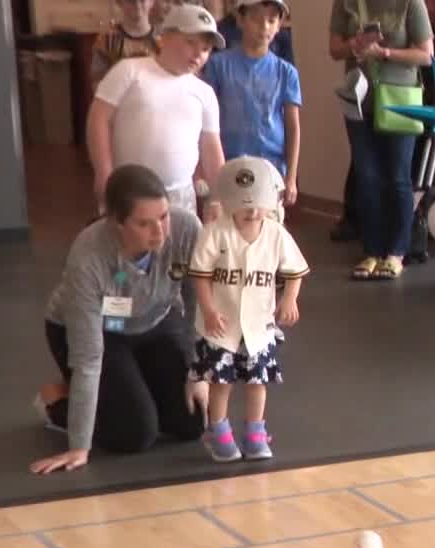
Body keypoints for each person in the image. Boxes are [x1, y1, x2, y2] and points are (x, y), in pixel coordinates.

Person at [31, 165, 208, 475]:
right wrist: (79, 446)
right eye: (144, 223)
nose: (160, 232)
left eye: (164, 216)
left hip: (154, 320)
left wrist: (199, 371)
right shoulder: (88, 256)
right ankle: (57, 401)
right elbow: (88, 357)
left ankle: (131, 387)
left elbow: (199, 304)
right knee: (134, 434)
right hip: (102, 328)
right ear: (116, 222)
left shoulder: (187, 229)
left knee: (191, 422)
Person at [188, 156, 309, 462]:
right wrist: (208, 309)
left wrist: (289, 299)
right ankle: (218, 429)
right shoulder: (215, 232)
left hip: (258, 327)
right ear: (228, 201)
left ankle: (255, 431)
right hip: (220, 325)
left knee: (258, 381)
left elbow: (294, 271)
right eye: (245, 205)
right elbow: (201, 277)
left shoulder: (276, 234)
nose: (253, 212)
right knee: (221, 380)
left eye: (260, 204)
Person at [87, 3, 226, 217]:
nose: (199, 54)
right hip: (129, 191)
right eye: (191, 42)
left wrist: (218, 198)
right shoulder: (130, 71)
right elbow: (99, 119)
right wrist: (103, 172)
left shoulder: (204, 93)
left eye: (206, 49)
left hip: (181, 197)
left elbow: (211, 149)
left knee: (179, 248)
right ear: (165, 36)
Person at [329, 0, 434, 280]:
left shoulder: (411, 4)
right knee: (366, 176)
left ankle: (397, 252)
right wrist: (356, 45)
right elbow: (334, 49)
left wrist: (383, 52)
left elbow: (426, 55)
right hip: (359, 99)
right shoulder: (346, 4)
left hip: (399, 99)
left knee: (398, 176)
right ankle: (372, 251)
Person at [201, 0, 302, 206]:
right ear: (240, 19)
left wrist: (291, 177)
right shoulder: (217, 65)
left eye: (271, 20)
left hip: (270, 167)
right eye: (256, 19)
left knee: (267, 228)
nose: (264, 27)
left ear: (279, 24)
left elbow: (293, 126)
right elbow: (204, 119)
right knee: (226, 228)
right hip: (226, 163)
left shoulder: (286, 72)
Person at [91, 0, 158, 94]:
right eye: (131, 1)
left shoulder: (163, 41)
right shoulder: (107, 40)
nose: (137, 6)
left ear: (151, 2)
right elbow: (98, 83)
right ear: (119, 3)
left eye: (142, 1)